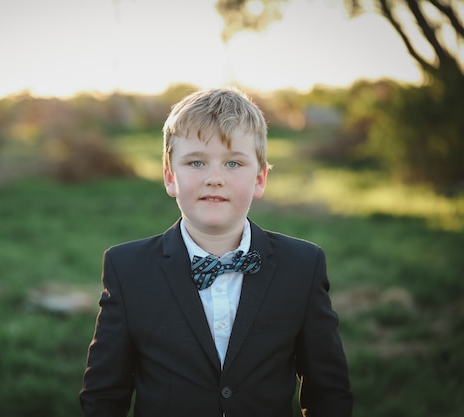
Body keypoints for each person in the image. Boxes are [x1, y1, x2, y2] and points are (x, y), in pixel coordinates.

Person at [79, 87, 353, 417]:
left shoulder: (303, 266)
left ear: (260, 179)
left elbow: (328, 391)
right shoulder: (128, 269)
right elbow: (104, 397)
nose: (214, 178)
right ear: (170, 177)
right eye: (196, 162)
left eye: (234, 163)